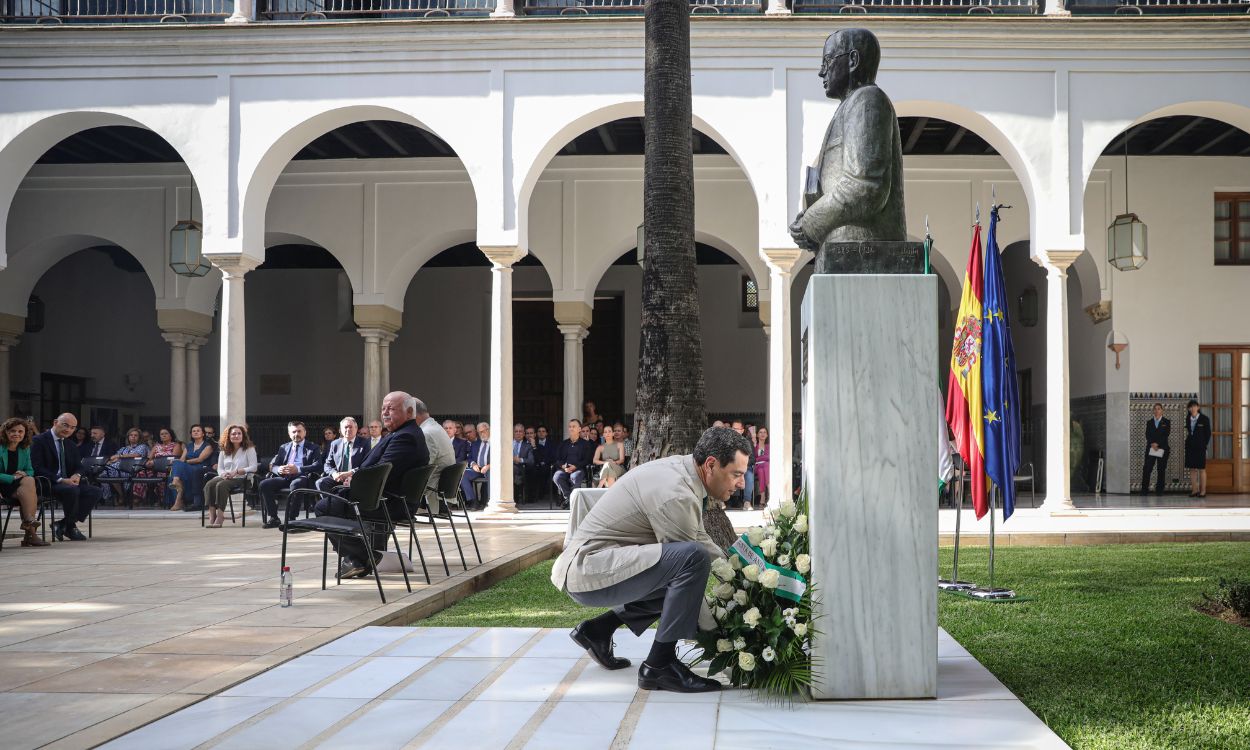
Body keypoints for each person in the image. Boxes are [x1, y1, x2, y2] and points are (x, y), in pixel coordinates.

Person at [553, 426, 749, 694]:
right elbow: (692, 569)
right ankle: (659, 665)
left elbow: (699, 537)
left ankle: (598, 630)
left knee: (687, 561)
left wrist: (743, 574)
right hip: (587, 570)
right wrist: (728, 644)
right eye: (736, 474)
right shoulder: (676, 493)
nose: (742, 484)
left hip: (597, 565)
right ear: (711, 465)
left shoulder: (685, 472)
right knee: (691, 560)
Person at [789, 29, 905, 253]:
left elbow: (865, 185)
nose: (821, 72)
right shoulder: (851, 105)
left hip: (865, 248)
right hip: (847, 247)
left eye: (828, 61)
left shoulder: (867, 99)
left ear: (852, 60)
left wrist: (811, 222)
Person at [313, 391, 430, 579]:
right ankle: (357, 560)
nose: (385, 413)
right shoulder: (402, 433)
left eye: (391, 409)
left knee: (323, 507)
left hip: (386, 502)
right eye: (383, 408)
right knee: (330, 492)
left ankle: (364, 557)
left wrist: (356, 480)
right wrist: (355, 477)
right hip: (384, 497)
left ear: (409, 412)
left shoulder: (406, 437)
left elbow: (384, 471)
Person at [30, 412, 101, 542]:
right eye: (65, 425)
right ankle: (69, 526)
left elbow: (79, 466)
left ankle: (64, 524)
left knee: (94, 491)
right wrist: (61, 479)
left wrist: (77, 475)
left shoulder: (70, 444)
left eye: (72, 427)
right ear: (55, 422)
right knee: (72, 490)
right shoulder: (39, 440)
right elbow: (37, 467)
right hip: (47, 483)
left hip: (67, 483)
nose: (68, 430)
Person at [259, 421, 322, 528]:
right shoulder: (284, 447)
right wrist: (279, 469)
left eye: (299, 431)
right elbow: (274, 465)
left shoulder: (313, 447)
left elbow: (318, 465)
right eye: (293, 432)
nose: (296, 434)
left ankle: (291, 518)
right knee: (264, 484)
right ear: (289, 433)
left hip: (302, 476)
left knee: (296, 485)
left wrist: (298, 469)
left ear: (305, 432)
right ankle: (274, 518)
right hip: (284, 477)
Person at [0, 417, 49, 548]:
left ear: (24, 434)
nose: (16, 434)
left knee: (29, 480)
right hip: (2, 485)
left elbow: (30, 470)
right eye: (13, 431)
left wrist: (24, 474)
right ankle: (31, 534)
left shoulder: (24, 449)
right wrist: (13, 478)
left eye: (20, 431)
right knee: (29, 489)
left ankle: (28, 521)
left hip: (18, 488)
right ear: (5, 432)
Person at [202, 424, 257, 528]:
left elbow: (254, 467)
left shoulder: (249, 449)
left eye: (239, 433)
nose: (236, 435)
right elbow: (220, 468)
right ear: (228, 436)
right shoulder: (224, 450)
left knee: (221, 485)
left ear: (243, 435)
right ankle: (212, 515)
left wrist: (237, 471)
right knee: (209, 485)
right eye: (233, 434)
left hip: (243, 479)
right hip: (225, 477)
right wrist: (223, 474)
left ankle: (220, 516)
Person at [316, 417, 371, 493]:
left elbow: (368, 464)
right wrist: (334, 474)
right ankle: (333, 503)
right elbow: (327, 464)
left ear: (356, 428)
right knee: (320, 482)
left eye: (350, 427)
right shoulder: (335, 444)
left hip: (356, 477)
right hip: (339, 477)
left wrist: (351, 473)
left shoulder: (365, 443)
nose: (348, 429)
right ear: (341, 430)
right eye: (345, 427)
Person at [168, 424, 214, 511]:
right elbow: (182, 459)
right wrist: (179, 462)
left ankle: (176, 484)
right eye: (193, 431)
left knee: (178, 464)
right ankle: (177, 486)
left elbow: (200, 459)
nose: (195, 432)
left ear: (203, 434)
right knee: (177, 462)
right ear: (191, 434)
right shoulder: (189, 446)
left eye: (198, 431)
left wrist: (185, 462)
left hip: (200, 468)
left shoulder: (208, 446)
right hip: (188, 468)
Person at [553, 419, 594, 509]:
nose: (571, 428)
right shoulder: (563, 444)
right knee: (557, 476)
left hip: (578, 469)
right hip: (564, 469)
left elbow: (587, 459)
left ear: (579, 429)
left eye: (574, 426)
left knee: (575, 477)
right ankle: (569, 498)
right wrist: (563, 466)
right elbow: (557, 459)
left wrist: (576, 466)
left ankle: (569, 501)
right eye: (570, 426)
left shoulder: (585, 444)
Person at [135, 428, 179, 505]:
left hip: (168, 468)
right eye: (162, 434)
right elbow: (149, 459)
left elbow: (173, 459)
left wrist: (156, 462)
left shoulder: (176, 445)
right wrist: (149, 463)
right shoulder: (156, 446)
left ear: (171, 435)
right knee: (141, 473)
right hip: (155, 469)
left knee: (162, 474)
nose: (164, 435)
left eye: (166, 433)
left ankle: (162, 499)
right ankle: (138, 497)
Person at [419, 402, 455, 492]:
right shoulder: (436, 427)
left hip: (431, 489)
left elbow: (423, 468)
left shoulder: (427, 432)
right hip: (441, 486)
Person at [1140, 403, 1170, 496]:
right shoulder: (1149, 422)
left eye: (1159, 409)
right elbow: (1147, 435)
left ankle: (1159, 490)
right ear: (1153, 410)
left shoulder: (1166, 422)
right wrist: (1153, 444)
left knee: (1161, 469)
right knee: (1147, 469)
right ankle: (1144, 490)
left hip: (1162, 449)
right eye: (1155, 409)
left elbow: (1166, 434)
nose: (1157, 410)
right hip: (1151, 449)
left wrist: (1158, 444)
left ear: (1162, 410)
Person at [1184, 399, 1212, 498]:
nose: (1192, 408)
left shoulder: (1204, 419)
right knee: (1192, 469)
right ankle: (1194, 490)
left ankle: (1203, 491)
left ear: (1198, 407)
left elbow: (1208, 434)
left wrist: (1203, 445)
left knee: (1202, 469)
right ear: (1189, 409)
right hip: (1190, 447)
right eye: (1190, 407)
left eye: (1194, 406)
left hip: (1200, 448)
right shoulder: (1188, 418)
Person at [461, 422, 491, 509]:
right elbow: (470, 458)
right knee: (463, 474)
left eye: (483, 431)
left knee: (491, 474)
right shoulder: (476, 443)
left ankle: (489, 501)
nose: (481, 434)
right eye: (479, 432)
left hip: (490, 468)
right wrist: (473, 464)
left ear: (488, 430)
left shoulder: (496, 442)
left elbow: (500, 457)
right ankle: (473, 501)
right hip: (477, 469)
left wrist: (489, 466)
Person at [731, 420, 756, 510]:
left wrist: (743, 465)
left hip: (746, 467)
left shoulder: (748, 442)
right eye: (733, 429)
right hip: (731, 468)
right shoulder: (727, 442)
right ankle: (723, 500)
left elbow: (753, 458)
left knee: (749, 475)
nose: (735, 431)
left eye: (737, 429)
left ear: (742, 431)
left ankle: (747, 502)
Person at [593, 424, 626, 488]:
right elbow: (595, 460)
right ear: (603, 435)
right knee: (610, 472)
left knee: (608, 466)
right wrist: (605, 463)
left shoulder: (620, 445)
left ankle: (599, 486)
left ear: (613, 434)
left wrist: (614, 462)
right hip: (605, 468)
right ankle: (610, 492)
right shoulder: (600, 447)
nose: (607, 433)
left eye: (609, 431)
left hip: (618, 467)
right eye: (605, 432)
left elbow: (622, 459)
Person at [511, 423, 534, 499]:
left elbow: (531, 461)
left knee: (514, 470)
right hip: (506, 468)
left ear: (524, 434)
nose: (518, 433)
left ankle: (515, 497)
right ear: (513, 433)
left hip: (521, 469)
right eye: (516, 431)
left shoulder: (528, 446)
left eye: (520, 431)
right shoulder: (507, 444)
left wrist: (520, 460)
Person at [755, 426, 771, 507]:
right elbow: (754, 459)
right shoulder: (755, 446)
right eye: (760, 432)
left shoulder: (768, 446)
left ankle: (763, 497)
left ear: (767, 435)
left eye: (764, 432)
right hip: (756, 466)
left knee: (763, 469)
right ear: (757, 435)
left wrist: (760, 458)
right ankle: (770, 489)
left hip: (764, 468)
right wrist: (763, 458)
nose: (762, 434)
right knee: (766, 464)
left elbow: (770, 457)